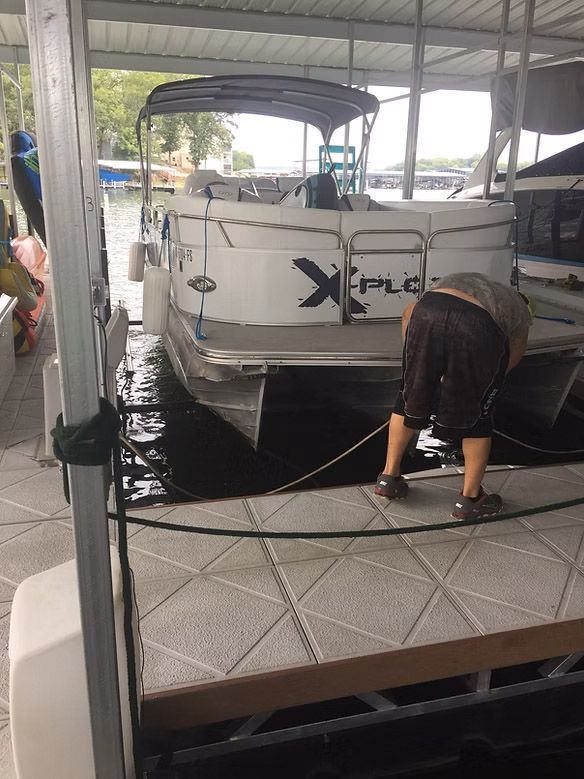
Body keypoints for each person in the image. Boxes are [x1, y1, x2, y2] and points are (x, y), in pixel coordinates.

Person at [374, 272, 532, 519]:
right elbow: (511, 356)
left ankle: (388, 478)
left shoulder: (460, 282)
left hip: (426, 311)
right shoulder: (518, 311)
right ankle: (470, 500)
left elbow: (409, 313)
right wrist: (485, 385)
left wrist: (422, 366)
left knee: (407, 400)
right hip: (475, 325)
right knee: (477, 418)